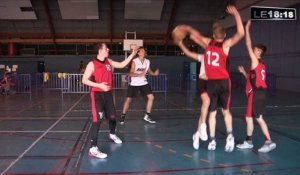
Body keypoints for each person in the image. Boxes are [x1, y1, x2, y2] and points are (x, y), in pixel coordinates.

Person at [176, 5, 244, 152]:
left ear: (213, 35)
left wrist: (187, 28)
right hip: (224, 81)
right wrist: (236, 14)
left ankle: (211, 140)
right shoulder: (225, 45)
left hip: (212, 82)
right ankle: (229, 135)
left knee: (212, 112)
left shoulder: (207, 43)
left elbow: (196, 35)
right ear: (224, 35)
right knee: (226, 111)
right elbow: (240, 33)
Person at [82, 43, 138, 159]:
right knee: (97, 120)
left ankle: (112, 134)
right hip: (97, 94)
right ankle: (93, 148)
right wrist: (99, 85)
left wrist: (132, 54)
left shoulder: (108, 61)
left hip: (108, 94)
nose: (108, 49)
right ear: (99, 50)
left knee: (112, 117)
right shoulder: (92, 64)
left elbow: (122, 64)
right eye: (105, 48)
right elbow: (84, 80)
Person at [236, 20, 276, 153]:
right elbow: (252, 79)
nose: (254, 50)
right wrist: (244, 73)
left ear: (259, 53)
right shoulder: (260, 65)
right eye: (255, 49)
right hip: (259, 93)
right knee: (249, 117)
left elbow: (247, 44)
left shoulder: (254, 60)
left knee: (257, 118)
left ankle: (268, 141)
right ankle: (248, 141)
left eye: (257, 50)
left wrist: (247, 29)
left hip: (256, 94)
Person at [175, 40, 209, 150]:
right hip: (203, 82)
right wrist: (180, 44)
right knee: (206, 103)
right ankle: (202, 129)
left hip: (215, 84)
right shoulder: (203, 56)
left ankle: (197, 135)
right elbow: (189, 53)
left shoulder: (221, 57)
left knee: (208, 112)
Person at [120, 47, 159, 124]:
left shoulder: (147, 61)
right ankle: (123, 116)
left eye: (144, 51)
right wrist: (139, 74)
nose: (143, 52)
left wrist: (154, 74)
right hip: (134, 83)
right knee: (128, 100)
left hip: (143, 82)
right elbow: (130, 73)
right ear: (138, 53)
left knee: (151, 97)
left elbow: (149, 71)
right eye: (142, 51)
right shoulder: (134, 61)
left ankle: (147, 116)